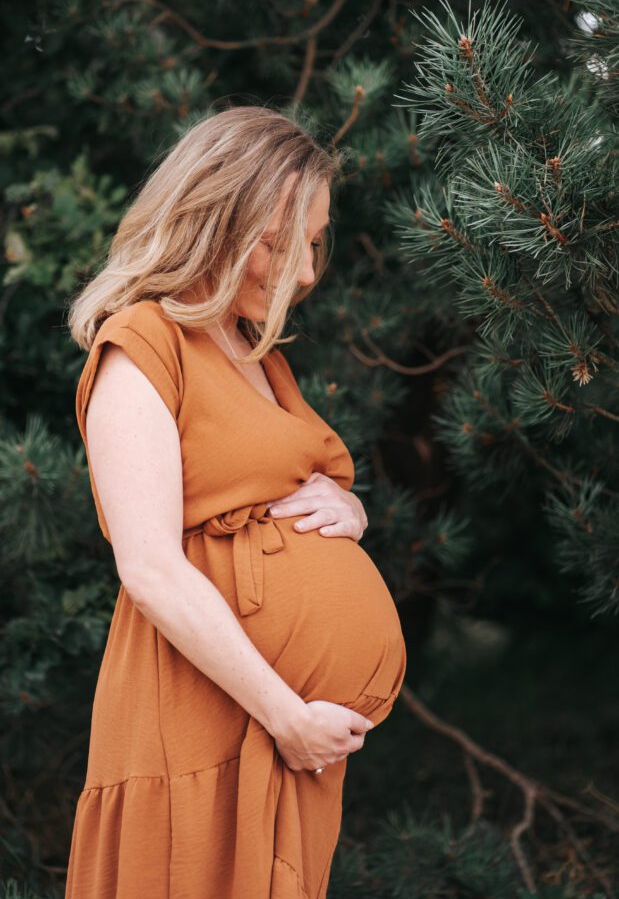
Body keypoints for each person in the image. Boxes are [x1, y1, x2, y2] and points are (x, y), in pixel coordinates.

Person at [63, 105, 407, 899]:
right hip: (211, 710)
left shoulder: (254, 355)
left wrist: (348, 512)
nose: (307, 272)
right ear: (211, 221)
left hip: (284, 733)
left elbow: (283, 487)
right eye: (281, 244)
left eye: (314, 243)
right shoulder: (142, 345)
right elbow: (149, 565)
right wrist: (286, 715)